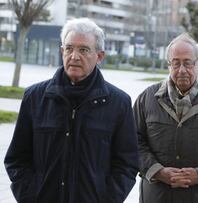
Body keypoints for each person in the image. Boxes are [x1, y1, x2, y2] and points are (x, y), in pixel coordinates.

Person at [4, 18, 138, 203]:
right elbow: (16, 159)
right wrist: (30, 197)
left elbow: (127, 165)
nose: (74, 56)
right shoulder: (34, 97)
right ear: (62, 51)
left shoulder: (119, 103)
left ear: (99, 56)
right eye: (69, 48)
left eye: (83, 50)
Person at [133, 33, 198, 203]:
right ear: (168, 65)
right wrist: (157, 171)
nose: (182, 70)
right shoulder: (147, 99)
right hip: (156, 196)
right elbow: (133, 142)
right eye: (176, 63)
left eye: (188, 63)